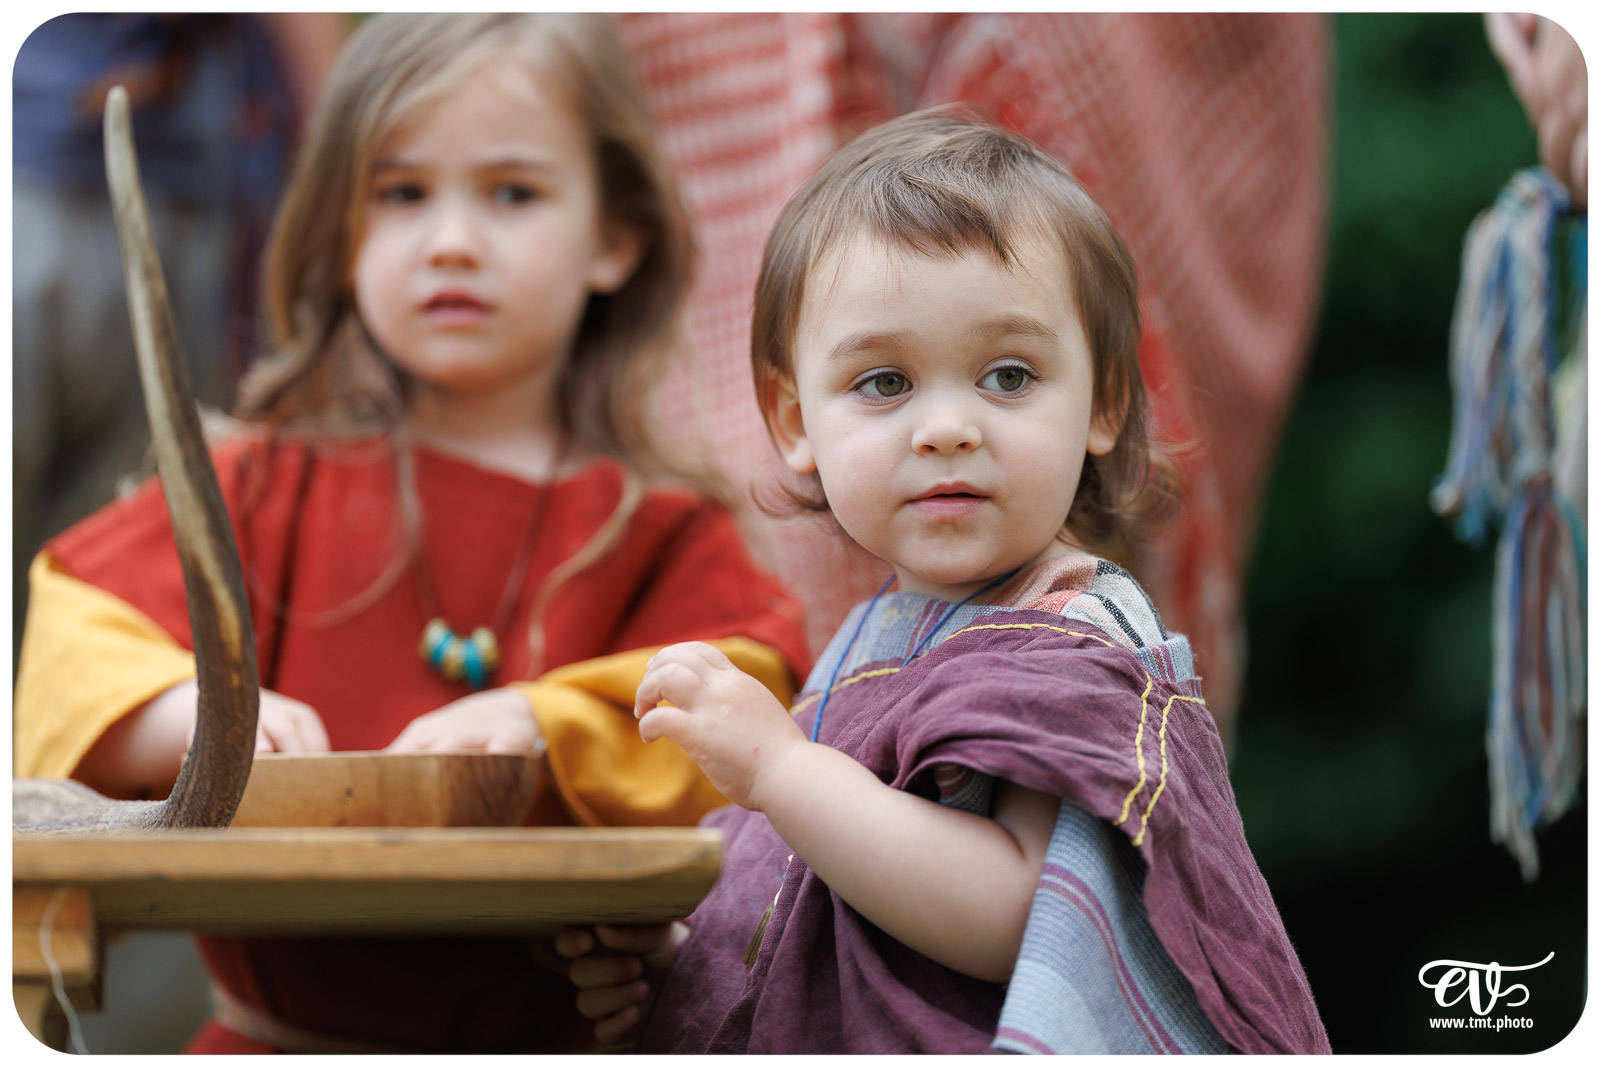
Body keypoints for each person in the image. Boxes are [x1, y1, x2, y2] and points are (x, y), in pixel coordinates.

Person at [13, 13, 809, 1053]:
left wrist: (548, 723)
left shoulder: (658, 528)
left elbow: (754, 700)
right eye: (401, 194)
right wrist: (190, 714)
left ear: (614, 236)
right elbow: (76, 636)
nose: (451, 241)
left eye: (512, 193)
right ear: (345, 235)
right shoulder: (259, 486)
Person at [557, 110, 1328, 1054]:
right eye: (885, 383)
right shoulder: (880, 640)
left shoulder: (1068, 640)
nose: (948, 428)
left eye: (1008, 375)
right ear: (795, 423)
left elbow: (1015, 913)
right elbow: (837, 907)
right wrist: (687, 967)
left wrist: (781, 771)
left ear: (1104, 401)